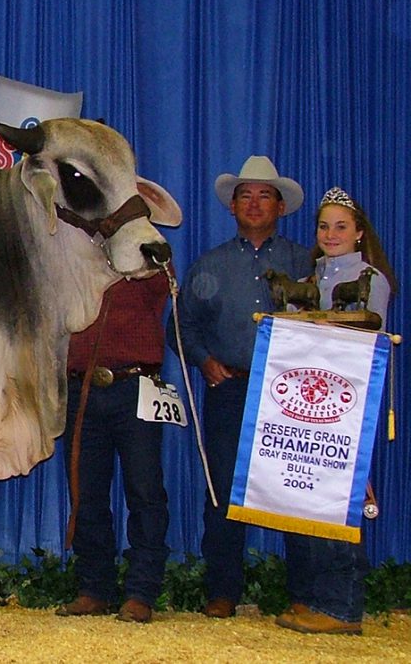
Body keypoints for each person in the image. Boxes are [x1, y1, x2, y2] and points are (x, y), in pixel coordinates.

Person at [174, 155, 313, 618]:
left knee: (297, 489)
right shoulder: (209, 265)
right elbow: (181, 325)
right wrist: (205, 361)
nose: (255, 203)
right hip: (230, 389)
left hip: (292, 396)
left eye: (264, 195)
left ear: (280, 206)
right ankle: (222, 591)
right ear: (232, 206)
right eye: (246, 195)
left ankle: (304, 595)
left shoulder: (303, 263)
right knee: (224, 493)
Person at [275, 186, 397, 635]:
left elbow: (365, 346)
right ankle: (309, 596)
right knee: (303, 494)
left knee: (336, 499)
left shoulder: (371, 280)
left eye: (341, 226)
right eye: (324, 226)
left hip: (343, 401)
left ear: (359, 233)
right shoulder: (309, 282)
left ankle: (342, 607)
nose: (331, 233)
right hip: (305, 401)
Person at [54, 272, 173, 624]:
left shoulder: (145, 248)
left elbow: (161, 288)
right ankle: (94, 588)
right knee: (86, 491)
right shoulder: (72, 250)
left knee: (145, 490)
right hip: (82, 385)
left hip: (135, 383)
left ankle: (141, 592)